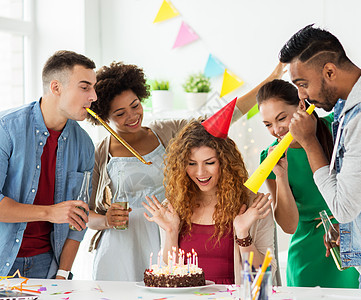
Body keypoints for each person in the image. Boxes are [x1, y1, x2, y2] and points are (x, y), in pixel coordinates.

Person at [86, 61, 285, 281]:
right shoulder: (101, 153)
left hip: (169, 233)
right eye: (120, 113)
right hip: (124, 245)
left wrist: (269, 81)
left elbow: (223, 119)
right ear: (104, 116)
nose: (132, 116)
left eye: (135, 105)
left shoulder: (168, 131)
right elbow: (85, 213)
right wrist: (106, 220)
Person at [279, 24, 361, 290]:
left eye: (303, 84)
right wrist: (359, 232)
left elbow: (342, 208)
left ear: (329, 71)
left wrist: (310, 143)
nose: (302, 97)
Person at [0, 50, 97, 285]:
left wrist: (63, 273)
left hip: (46, 265)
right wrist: (50, 212)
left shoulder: (84, 144)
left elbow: (78, 216)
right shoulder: (1, 128)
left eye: (94, 88)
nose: (93, 96)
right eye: (85, 87)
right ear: (56, 87)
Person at [142, 120, 276, 284]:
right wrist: (171, 231)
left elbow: (266, 272)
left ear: (225, 162)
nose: (200, 172)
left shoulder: (253, 204)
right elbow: (171, 274)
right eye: (191, 164)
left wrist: (243, 234)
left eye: (210, 162)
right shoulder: (173, 206)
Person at [257, 79, 359, 288]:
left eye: (281, 118)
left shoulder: (337, 127)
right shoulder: (269, 158)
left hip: (352, 240)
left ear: (301, 106)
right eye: (268, 124)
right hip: (306, 256)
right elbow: (288, 226)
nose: (276, 130)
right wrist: (282, 177)